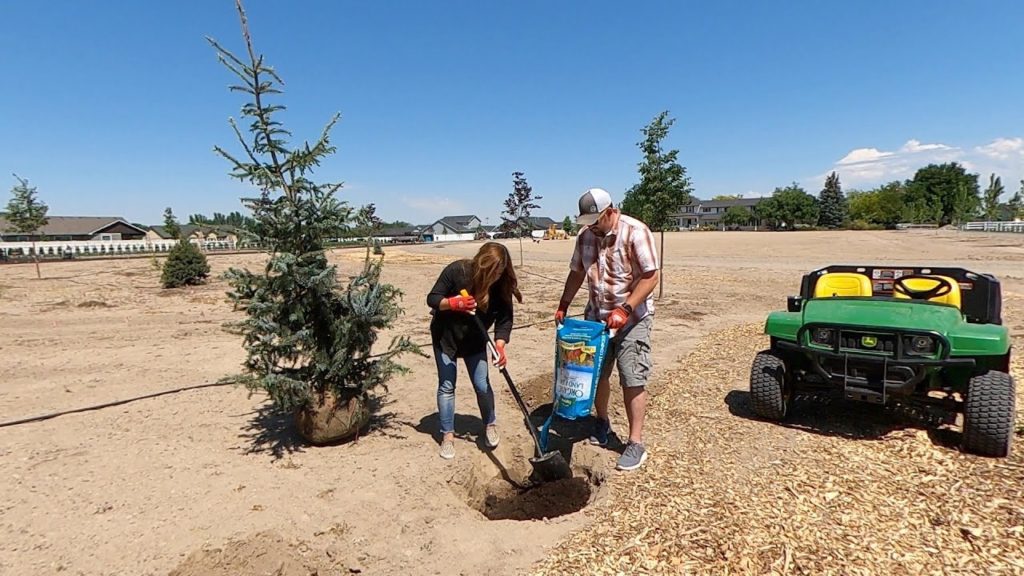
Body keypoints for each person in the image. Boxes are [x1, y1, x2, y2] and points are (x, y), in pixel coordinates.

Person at [555, 187, 660, 471]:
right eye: (587, 222)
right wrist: (564, 304)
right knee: (597, 374)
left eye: (595, 221)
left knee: (631, 375)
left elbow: (651, 277)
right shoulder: (586, 236)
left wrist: (624, 309)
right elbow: (577, 272)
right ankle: (601, 422)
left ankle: (635, 442)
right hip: (597, 319)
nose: (591, 227)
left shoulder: (635, 232)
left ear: (610, 212)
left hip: (633, 318)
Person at [427, 242, 523, 460]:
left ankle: (490, 424)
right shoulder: (458, 271)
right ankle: (448, 436)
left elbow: (505, 320)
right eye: (491, 271)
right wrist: (454, 303)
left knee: (481, 385)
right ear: (480, 264)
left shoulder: (501, 286)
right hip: (446, 337)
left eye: (499, 272)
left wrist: (499, 346)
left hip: (475, 340)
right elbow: (432, 299)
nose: (494, 276)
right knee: (447, 385)